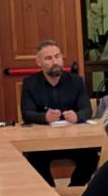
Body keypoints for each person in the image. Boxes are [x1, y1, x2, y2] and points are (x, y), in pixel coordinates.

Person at [20, 40, 99, 187]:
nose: (55, 62)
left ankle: (74, 188)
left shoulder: (76, 81)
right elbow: (27, 113)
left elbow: (87, 110)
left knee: (92, 155)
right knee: (33, 158)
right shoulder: (30, 83)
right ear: (39, 62)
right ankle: (50, 190)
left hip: (73, 141)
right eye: (48, 58)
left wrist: (77, 116)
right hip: (43, 142)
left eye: (57, 56)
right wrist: (44, 117)